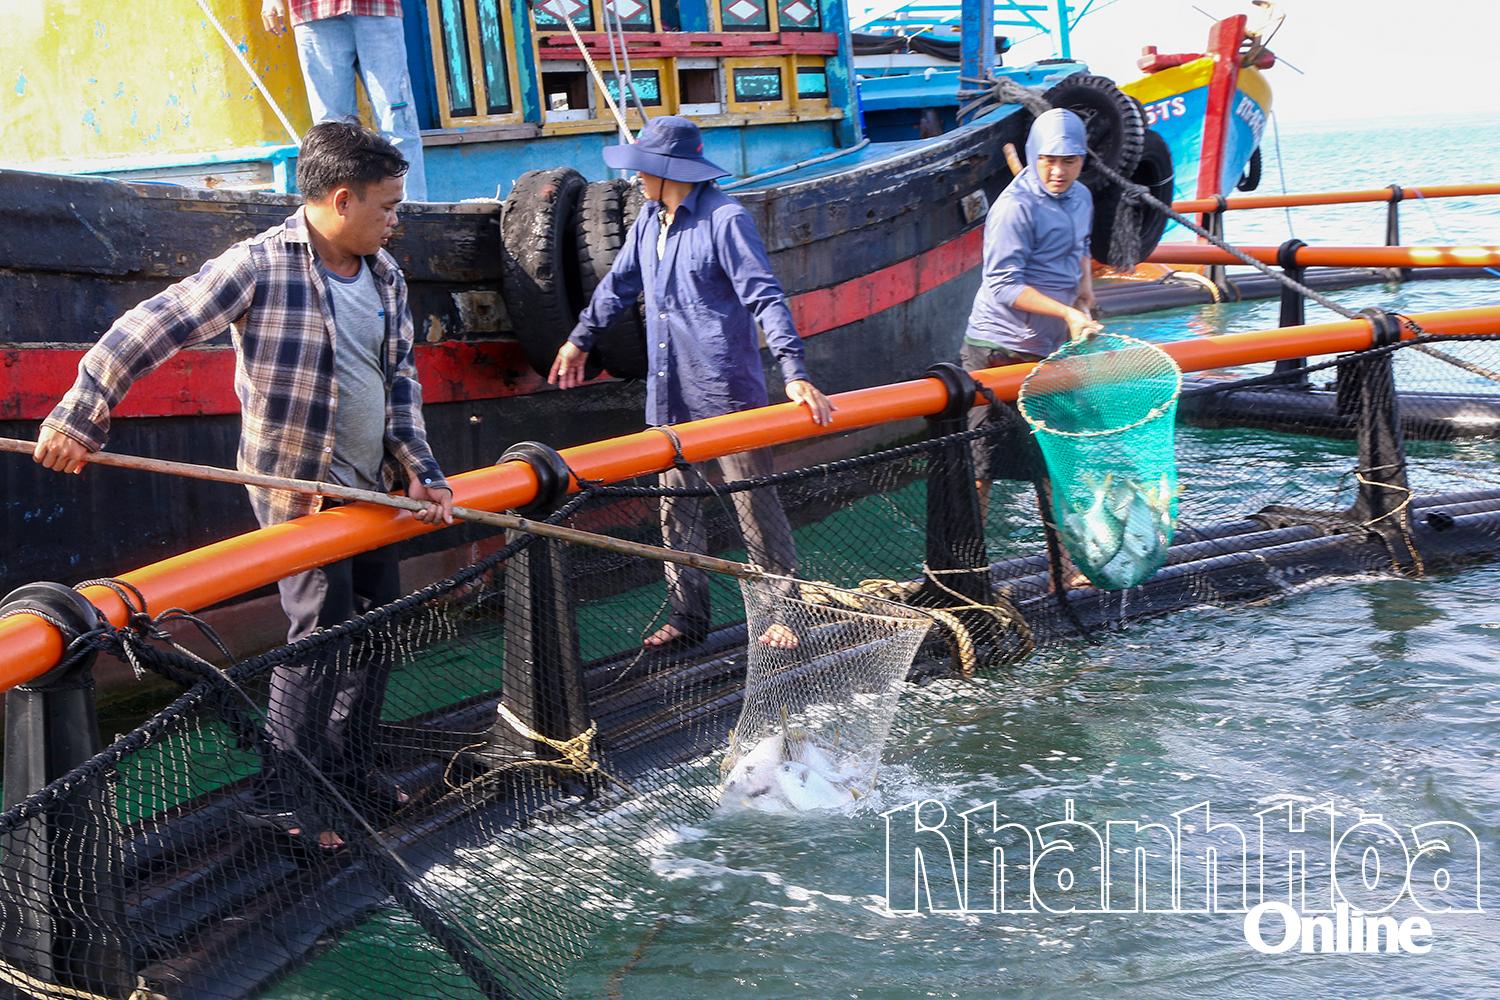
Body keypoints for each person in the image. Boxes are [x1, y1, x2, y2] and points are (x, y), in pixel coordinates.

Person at [34, 121, 453, 848]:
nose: (396, 219)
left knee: (377, 629)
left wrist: (422, 469)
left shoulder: (386, 277)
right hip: (301, 493)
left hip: (375, 492)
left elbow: (400, 382)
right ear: (342, 199)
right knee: (319, 638)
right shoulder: (259, 265)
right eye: (387, 207)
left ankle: (348, 774)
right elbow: (147, 328)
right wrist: (80, 415)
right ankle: (281, 796)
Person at [548, 116, 834, 652]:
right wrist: (579, 339)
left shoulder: (726, 220)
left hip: (726, 395)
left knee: (754, 505)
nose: (634, 179)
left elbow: (764, 297)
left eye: (641, 170)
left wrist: (795, 374)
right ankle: (688, 616)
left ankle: (783, 614)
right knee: (675, 505)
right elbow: (618, 285)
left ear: (666, 171)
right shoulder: (648, 223)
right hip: (669, 392)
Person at [963, 108, 1103, 584]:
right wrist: (1066, 313)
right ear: (1032, 157)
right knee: (981, 468)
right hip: (996, 348)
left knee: (1059, 459)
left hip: (1048, 351)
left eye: (1069, 161)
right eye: (1048, 161)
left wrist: (1084, 293)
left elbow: (1079, 247)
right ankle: (966, 571)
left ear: (1083, 161)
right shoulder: (1014, 207)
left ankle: (1065, 567)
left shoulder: (1081, 197)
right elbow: (1002, 284)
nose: (1059, 172)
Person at [262, 0, 429, 201]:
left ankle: (412, 210)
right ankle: (343, 211)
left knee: (398, 120)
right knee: (333, 132)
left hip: (378, 7)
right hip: (314, 10)